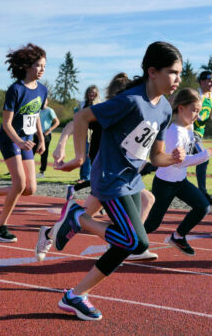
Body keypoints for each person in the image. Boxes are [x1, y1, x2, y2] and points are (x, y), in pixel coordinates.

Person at [48, 41, 185, 321]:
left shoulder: (165, 110)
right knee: (136, 242)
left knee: (127, 244)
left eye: (180, 73)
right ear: (153, 72)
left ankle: (75, 296)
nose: (178, 79)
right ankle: (79, 218)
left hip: (131, 179)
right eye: (173, 72)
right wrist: (80, 157)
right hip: (110, 179)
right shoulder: (130, 101)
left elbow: (155, 156)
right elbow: (82, 116)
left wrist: (172, 158)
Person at [38, 73, 158, 262]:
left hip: (123, 175)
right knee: (83, 216)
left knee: (146, 200)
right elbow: (74, 122)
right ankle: (130, 244)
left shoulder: (136, 113)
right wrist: (62, 145)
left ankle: (130, 244)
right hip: (107, 172)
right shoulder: (109, 111)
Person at [0, 43, 47, 243]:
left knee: (29, 189)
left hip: (27, 141)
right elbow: (6, 123)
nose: (41, 70)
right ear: (26, 66)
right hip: (10, 140)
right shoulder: (15, 89)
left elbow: (36, 115)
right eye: (38, 66)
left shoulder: (42, 89)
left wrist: (40, 138)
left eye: (43, 66)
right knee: (19, 183)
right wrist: (19, 141)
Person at [142, 88, 212, 256]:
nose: (197, 114)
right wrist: (204, 155)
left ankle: (178, 237)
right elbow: (178, 163)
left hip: (180, 182)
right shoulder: (174, 131)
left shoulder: (188, 128)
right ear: (181, 108)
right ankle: (123, 243)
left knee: (203, 207)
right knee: (152, 224)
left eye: (198, 110)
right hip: (164, 184)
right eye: (193, 110)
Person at [193, 71, 212, 206]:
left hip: (199, 134)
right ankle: (203, 194)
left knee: (174, 163)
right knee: (203, 158)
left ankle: (147, 168)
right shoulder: (194, 94)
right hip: (189, 133)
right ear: (202, 81)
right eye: (209, 81)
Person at [76, 85, 102, 184]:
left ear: (97, 94)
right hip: (83, 133)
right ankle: (83, 176)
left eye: (94, 92)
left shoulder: (99, 104)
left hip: (94, 133)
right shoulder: (83, 104)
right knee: (81, 155)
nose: (91, 94)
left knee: (89, 155)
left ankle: (87, 177)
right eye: (90, 92)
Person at [34, 97, 59, 178]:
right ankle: (25, 169)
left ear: (47, 102)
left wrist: (49, 130)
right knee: (31, 151)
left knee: (44, 153)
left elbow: (57, 122)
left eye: (45, 101)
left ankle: (41, 172)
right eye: (42, 101)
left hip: (46, 135)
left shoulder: (50, 110)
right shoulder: (37, 110)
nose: (43, 102)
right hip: (36, 134)